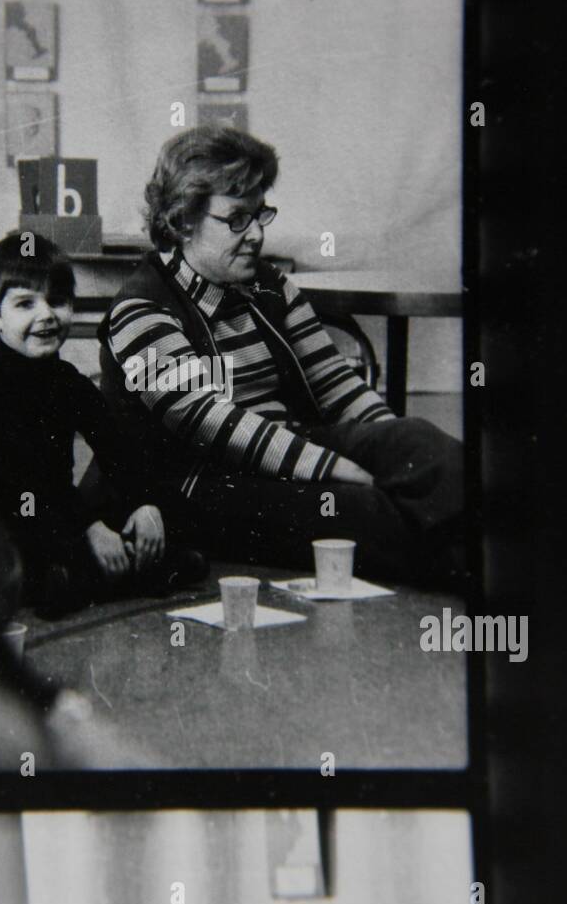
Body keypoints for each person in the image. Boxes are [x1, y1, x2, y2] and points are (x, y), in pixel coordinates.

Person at [99, 126, 464, 588]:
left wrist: (389, 449)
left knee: (415, 441)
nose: (255, 235)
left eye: (258, 215)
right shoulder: (141, 309)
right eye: (236, 219)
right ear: (183, 220)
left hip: (288, 446)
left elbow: (336, 384)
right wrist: (334, 468)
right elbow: (213, 424)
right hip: (203, 483)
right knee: (362, 512)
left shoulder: (268, 283)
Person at [0, 231, 206, 615]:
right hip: (9, 524)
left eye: (57, 301)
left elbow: (120, 452)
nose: (46, 315)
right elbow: (11, 492)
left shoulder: (70, 383)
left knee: (171, 507)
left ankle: (101, 572)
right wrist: (87, 527)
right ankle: (100, 574)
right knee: (32, 549)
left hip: (63, 515)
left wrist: (145, 505)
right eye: (25, 304)